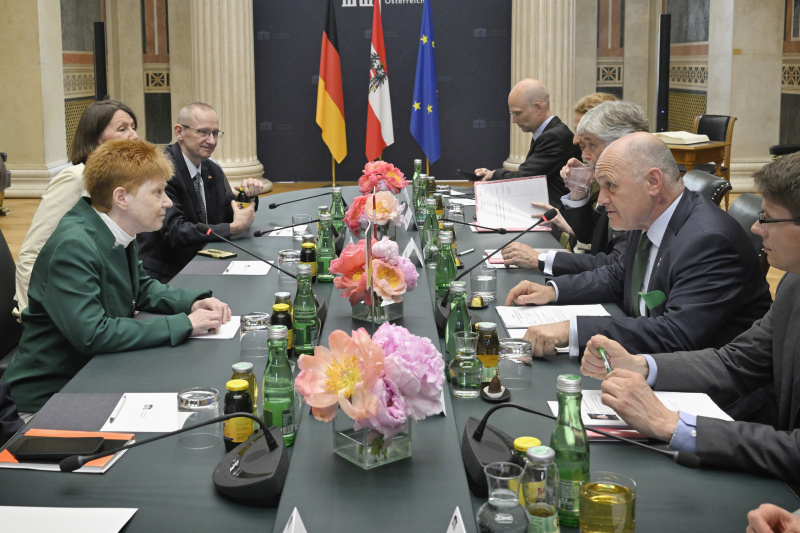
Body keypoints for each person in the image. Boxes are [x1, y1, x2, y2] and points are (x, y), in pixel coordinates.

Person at [580, 152, 800, 487]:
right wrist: (641, 365)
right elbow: (735, 362)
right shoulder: (794, 284)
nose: (756, 229)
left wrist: (671, 424)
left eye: (767, 219)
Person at [4, 139, 232, 412]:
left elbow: (142, 288)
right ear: (121, 198)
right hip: (48, 399)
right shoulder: (74, 245)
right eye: (157, 192)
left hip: (92, 376)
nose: (168, 202)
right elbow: (93, 334)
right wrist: (184, 323)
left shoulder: (116, 228)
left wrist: (193, 302)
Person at [504, 132, 772, 357]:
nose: (602, 200)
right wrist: (552, 291)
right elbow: (617, 275)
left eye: (611, 186)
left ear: (653, 182)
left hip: (708, 391)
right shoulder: (645, 216)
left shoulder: (709, 241)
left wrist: (571, 329)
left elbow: (676, 333)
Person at [14, 99, 140, 319]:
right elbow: (32, 253)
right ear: (95, 138)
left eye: (133, 128)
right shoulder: (75, 179)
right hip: (56, 313)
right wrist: (31, 316)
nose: (134, 135)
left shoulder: (116, 183)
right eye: (122, 129)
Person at [503, 99, 646, 276]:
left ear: (619, 143)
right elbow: (593, 239)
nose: (583, 153)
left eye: (590, 143)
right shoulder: (605, 182)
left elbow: (613, 264)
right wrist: (578, 192)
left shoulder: (640, 192)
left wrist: (541, 260)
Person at [137, 102, 264, 282]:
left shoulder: (211, 169)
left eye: (215, 133)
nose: (211, 141)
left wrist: (248, 195)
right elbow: (174, 231)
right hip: (168, 273)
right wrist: (231, 229)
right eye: (203, 132)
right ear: (179, 132)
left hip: (204, 261)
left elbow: (228, 212)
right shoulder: (161, 170)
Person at [474, 79, 581, 208]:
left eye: (517, 113)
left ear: (538, 108)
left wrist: (493, 174)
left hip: (555, 219)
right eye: (512, 114)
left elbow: (525, 179)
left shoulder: (554, 136)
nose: (514, 120)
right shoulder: (548, 133)